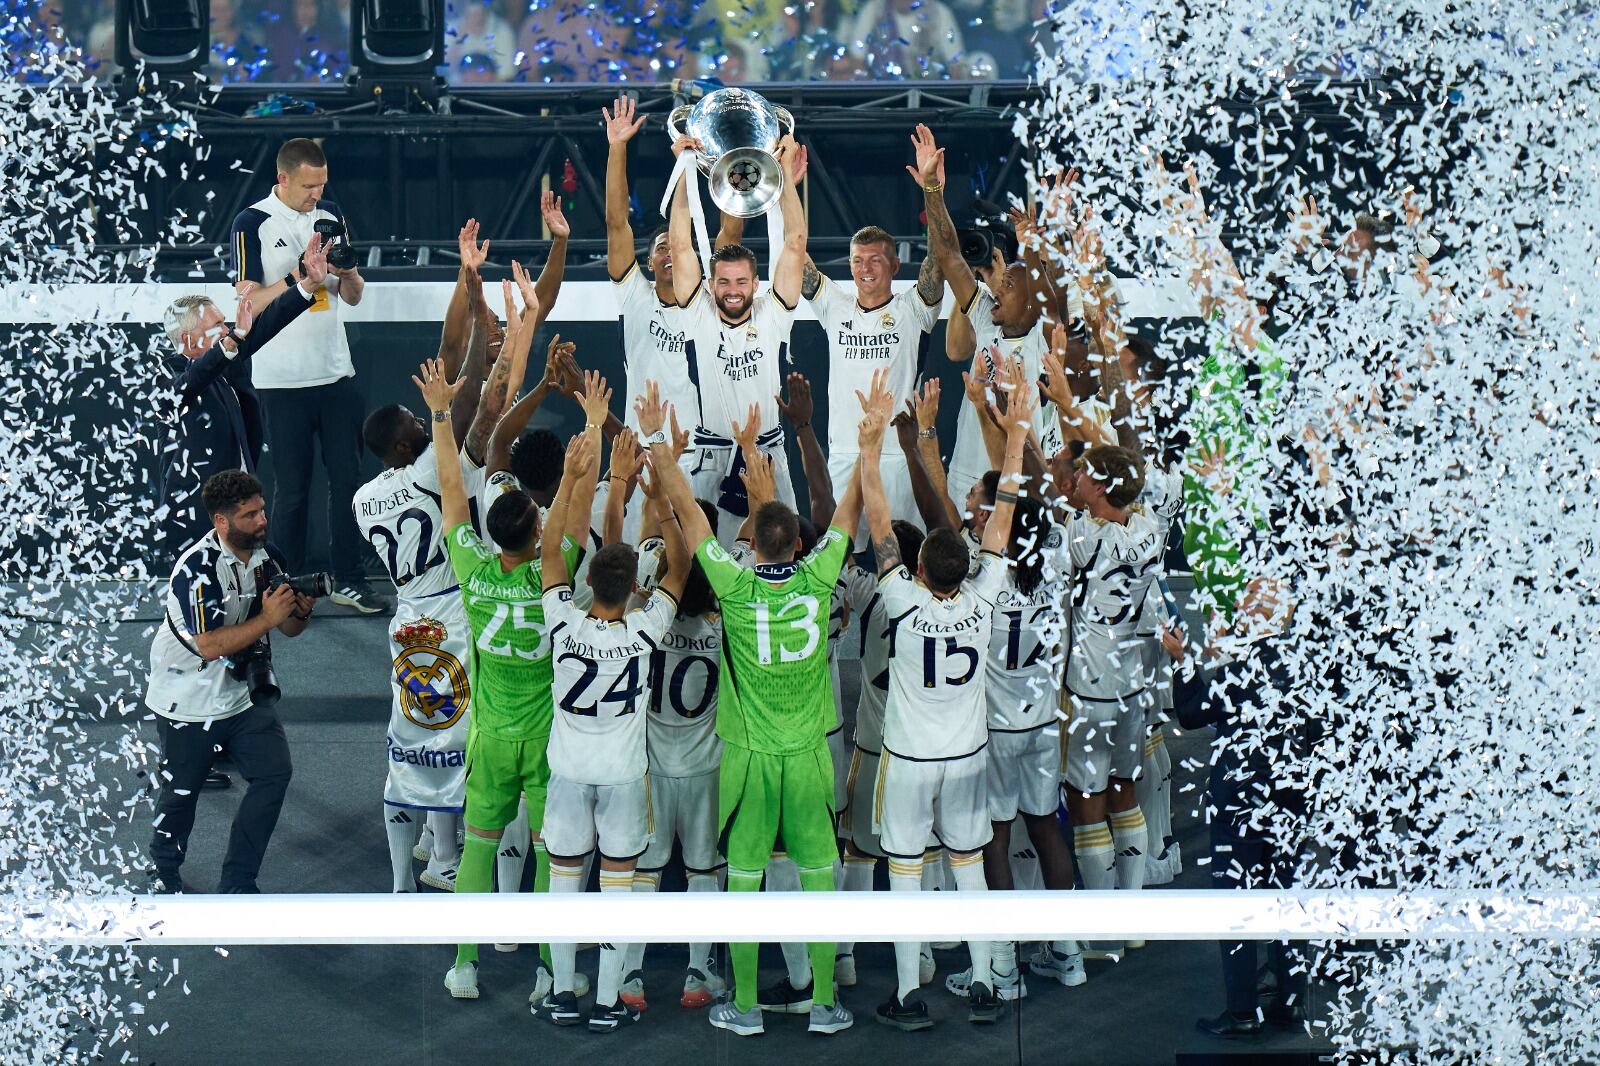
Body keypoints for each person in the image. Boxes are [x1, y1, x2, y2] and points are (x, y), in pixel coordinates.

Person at [637, 377, 867, 1038]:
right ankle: (824, 1003)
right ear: (797, 545)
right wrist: (869, 444)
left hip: (746, 763)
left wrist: (661, 444)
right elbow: (845, 517)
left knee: (743, 881)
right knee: (818, 878)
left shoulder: (732, 585)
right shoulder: (822, 577)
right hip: (808, 757)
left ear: (754, 544)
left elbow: (691, 517)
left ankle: (744, 1004)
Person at [354, 250, 542, 895]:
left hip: (407, 618)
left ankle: (423, 870)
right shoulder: (438, 469)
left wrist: (469, 288)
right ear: (409, 444)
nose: (423, 412)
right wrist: (513, 335)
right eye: (415, 419)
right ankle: (472, 874)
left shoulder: (364, 499)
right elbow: (482, 404)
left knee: (413, 743)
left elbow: (457, 371)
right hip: (453, 609)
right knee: (470, 744)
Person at [863, 360, 1032, 1030]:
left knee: (906, 878)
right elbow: (1006, 515)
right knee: (972, 874)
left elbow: (878, 518)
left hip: (907, 761)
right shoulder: (987, 592)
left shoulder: (901, 600)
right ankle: (989, 982)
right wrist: (1016, 433)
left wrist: (872, 442)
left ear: (919, 569)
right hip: (967, 757)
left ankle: (908, 997)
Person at [531, 374, 690, 1033]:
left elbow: (549, 547)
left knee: (566, 884)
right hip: (625, 775)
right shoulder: (647, 628)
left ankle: (562, 994)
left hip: (569, 770)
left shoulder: (561, 621)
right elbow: (680, 564)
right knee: (617, 887)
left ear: (587, 579)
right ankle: (604, 1003)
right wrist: (664, 482)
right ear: (633, 590)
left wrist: (586, 457)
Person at [229, 137, 387, 614]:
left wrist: (351, 270)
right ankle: (285, 588)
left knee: (349, 481)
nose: (317, 194)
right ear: (283, 178)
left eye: (322, 185)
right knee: (292, 489)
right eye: (308, 186)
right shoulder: (251, 222)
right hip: (280, 380)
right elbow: (248, 305)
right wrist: (300, 276)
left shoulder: (331, 214)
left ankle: (350, 579)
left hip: (336, 372)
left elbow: (353, 296)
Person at [144, 469, 315, 894]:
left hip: (242, 695)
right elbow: (208, 645)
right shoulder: (196, 569)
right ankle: (163, 872)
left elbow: (291, 630)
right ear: (221, 521)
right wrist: (269, 618)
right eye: (250, 515)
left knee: (274, 774)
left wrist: (299, 612)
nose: (262, 521)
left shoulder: (269, 556)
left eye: (262, 511)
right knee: (181, 794)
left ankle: (239, 881)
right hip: (187, 699)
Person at [1164, 584, 1308, 1038]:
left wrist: (1184, 662)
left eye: (1247, 600)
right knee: (1286, 898)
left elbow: (1189, 713)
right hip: (1292, 800)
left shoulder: (1242, 670)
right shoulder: (1303, 666)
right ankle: (1290, 1002)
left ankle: (1243, 1011)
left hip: (1241, 804)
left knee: (1238, 903)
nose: (1237, 604)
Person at [617, 442, 728, 1013]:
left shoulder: (644, 615)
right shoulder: (723, 623)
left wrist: (655, 485)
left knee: (648, 869)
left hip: (652, 767)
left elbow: (649, 552)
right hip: (705, 768)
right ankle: (697, 972)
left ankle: (630, 974)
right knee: (704, 867)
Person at [601, 95, 742, 541]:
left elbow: (729, 234)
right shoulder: (634, 297)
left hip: (699, 455)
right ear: (646, 262)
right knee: (641, 566)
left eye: (674, 246)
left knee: (699, 565)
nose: (669, 251)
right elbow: (616, 224)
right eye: (659, 246)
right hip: (640, 453)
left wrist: (725, 171)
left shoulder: (705, 299)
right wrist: (618, 147)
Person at [912, 125, 1066, 513]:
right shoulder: (984, 316)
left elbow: (1052, 292)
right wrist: (933, 190)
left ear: (1031, 299)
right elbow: (949, 256)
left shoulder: (1045, 337)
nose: (997, 287)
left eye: (1010, 283)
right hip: (969, 478)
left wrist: (1035, 247)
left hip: (1022, 482)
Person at [667, 130, 808, 543]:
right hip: (712, 460)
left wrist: (782, 173)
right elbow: (679, 246)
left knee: (786, 558)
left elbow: (795, 243)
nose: (732, 290)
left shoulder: (774, 315)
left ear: (756, 282)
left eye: (741, 281)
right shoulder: (699, 316)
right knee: (704, 571)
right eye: (724, 281)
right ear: (711, 284)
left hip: (769, 457)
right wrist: (683, 172)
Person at [156, 235, 327, 569]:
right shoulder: (167, 371)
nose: (227, 328)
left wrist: (307, 284)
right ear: (190, 339)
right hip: (196, 510)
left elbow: (267, 324)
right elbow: (186, 387)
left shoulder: (226, 359)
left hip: (239, 504)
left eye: (225, 323)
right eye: (217, 325)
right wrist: (232, 339)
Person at [1059, 444, 1165, 963]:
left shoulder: (1079, 536)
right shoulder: (1149, 532)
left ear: (1100, 486)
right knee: (1125, 792)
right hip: (1133, 691)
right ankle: (1132, 919)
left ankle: (1101, 930)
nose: (1073, 477)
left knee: (1087, 803)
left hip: (1089, 692)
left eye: (1082, 472)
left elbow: (1051, 493)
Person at [801, 224, 944, 536]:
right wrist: (781, 194)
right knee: (837, 563)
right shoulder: (835, 306)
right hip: (844, 453)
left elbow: (937, 257)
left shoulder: (913, 310)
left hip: (897, 456)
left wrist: (933, 191)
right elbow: (795, 255)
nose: (864, 269)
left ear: (894, 266)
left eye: (874, 260)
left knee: (903, 554)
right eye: (857, 260)